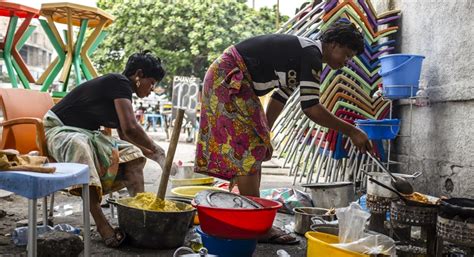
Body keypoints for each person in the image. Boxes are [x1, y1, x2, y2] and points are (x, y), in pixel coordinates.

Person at [194, 21, 372, 244]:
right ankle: (255, 226)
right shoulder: (312, 54)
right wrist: (352, 131)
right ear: (333, 44)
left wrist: (265, 135)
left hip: (234, 80)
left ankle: (253, 219)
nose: (346, 63)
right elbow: (311, 108)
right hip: (228, 78)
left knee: (255, 148)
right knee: (247, 153)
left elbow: (280, 96)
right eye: (346, 55)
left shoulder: (306, 55)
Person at [43, 51, 175, 247]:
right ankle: (101, 223)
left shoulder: (123, 94)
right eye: (152, 82)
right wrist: (158, 149)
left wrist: (156, 157)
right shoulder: (119, 82)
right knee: (81, 146)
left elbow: (125, 135)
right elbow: (131, 127)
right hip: (59, 130)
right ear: (138, 75)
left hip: (86, 134)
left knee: (134, 156)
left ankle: (138, 216)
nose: (152, 88)